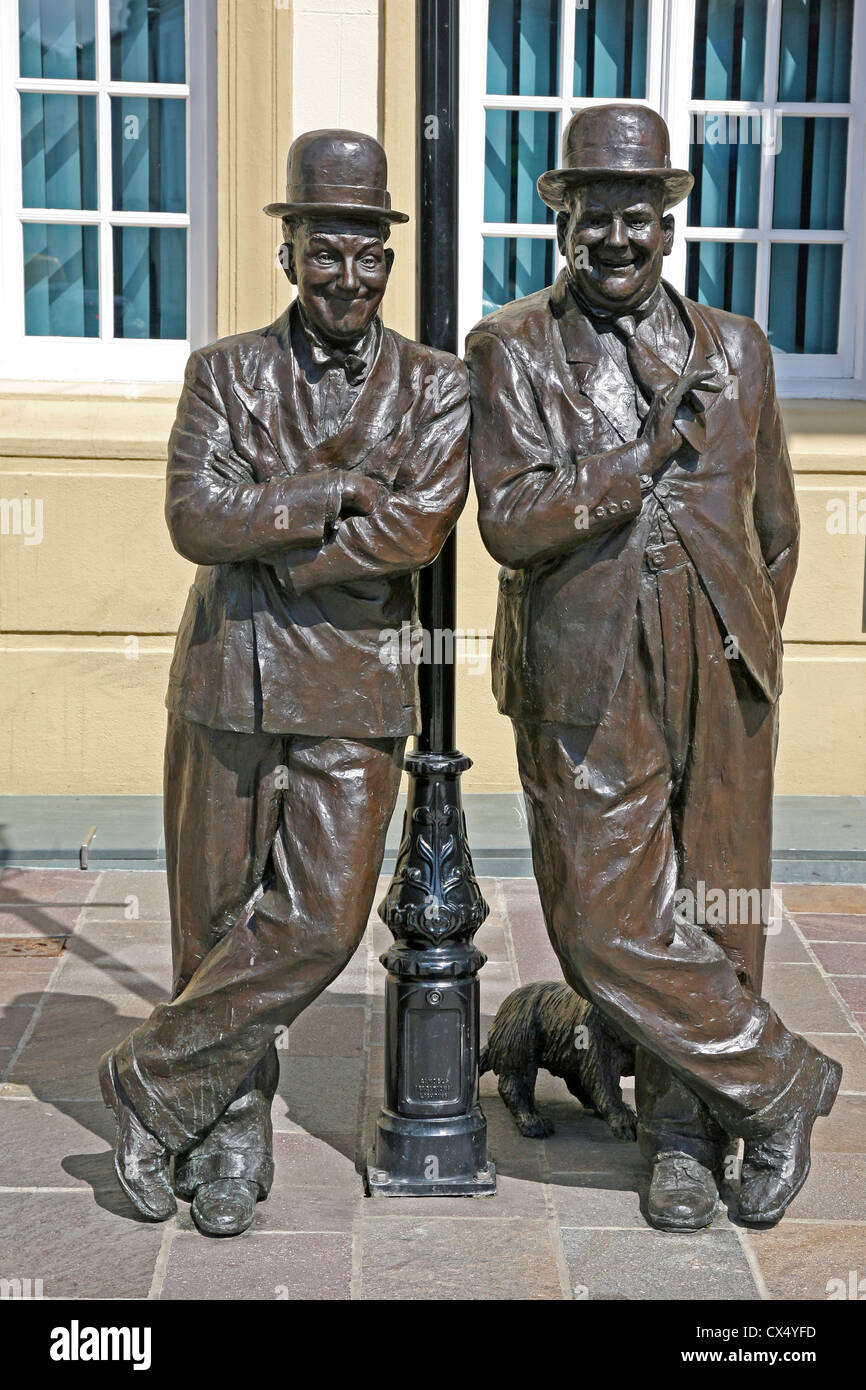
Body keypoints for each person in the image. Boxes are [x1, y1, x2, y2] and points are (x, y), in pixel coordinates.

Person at [466, 104, 840, 1232]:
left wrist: (738, 635)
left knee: (720, 910)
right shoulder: (511, 349)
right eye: (592, 216)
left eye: (636, 215)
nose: (615, 237)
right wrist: (636, 462)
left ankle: (684, 1134)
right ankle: (780, 1084)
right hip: (586, 670)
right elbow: (515, 520)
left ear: (667, 221)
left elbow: (772, 523)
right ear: (560, 219)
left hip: (719, 660)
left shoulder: (738, 349)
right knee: (601, 920)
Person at [99, 129, 469, 1237]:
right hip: (224, 680)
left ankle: (150, 1075)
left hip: (356, 695)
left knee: (314, 922)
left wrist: (272, 524)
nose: (346, 276)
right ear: (289, 251)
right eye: (324, 251)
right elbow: (190, 519)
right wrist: (337, 490)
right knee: (214, 926)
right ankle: (229, 1126)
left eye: (367, 253)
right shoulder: (223, 371)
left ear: (388, 259)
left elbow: (417, 532)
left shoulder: (438, 387)